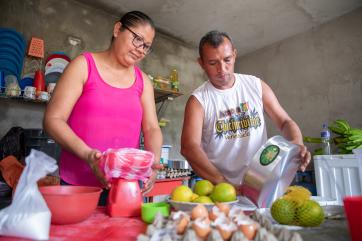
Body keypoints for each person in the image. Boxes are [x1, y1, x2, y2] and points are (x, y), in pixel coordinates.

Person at [43, 11, 163, 204]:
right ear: (117, 30)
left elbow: (152, 128)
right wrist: (89, 156)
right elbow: (53, 120)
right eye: (137, 39)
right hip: (79, 185)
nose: (141, 49)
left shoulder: (143, 82)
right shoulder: (84, 66)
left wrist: (154, 161)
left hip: (125, 187)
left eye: (146, 46)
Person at [181, 30, 311, 191]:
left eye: (227, 60)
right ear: (201, 63)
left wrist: (296, 144)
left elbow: (285, 122)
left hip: (263, 182)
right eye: (213, 63)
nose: (222, 69)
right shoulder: (198, 100)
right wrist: (225, 185)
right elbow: (189, 147)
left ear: (234, 55)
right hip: (221, 188)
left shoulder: (256, 85)